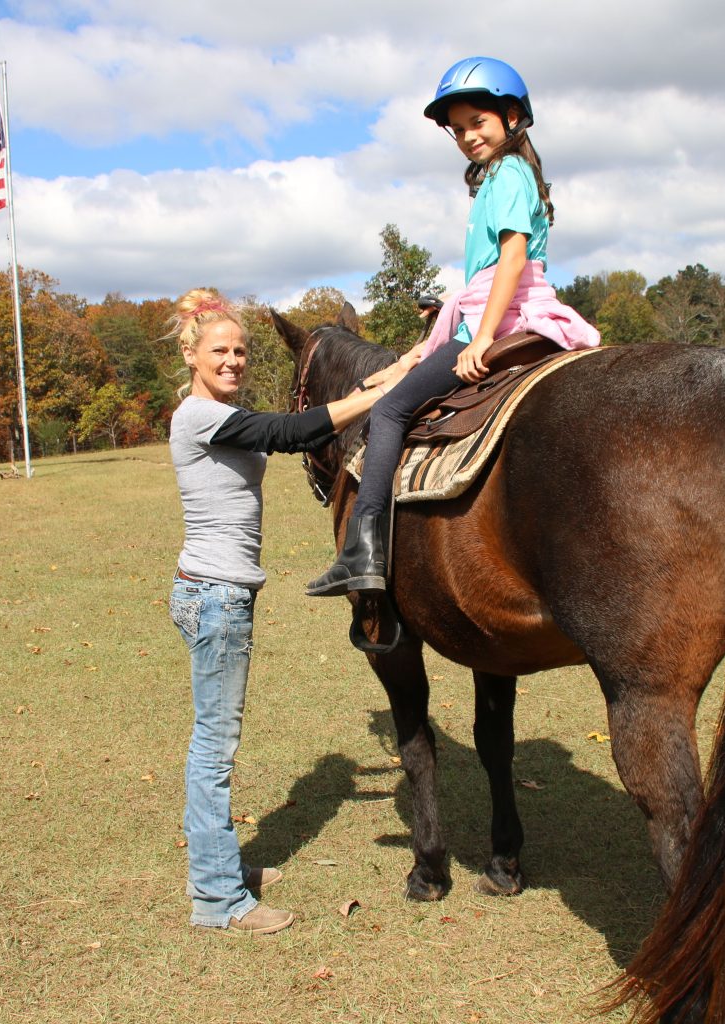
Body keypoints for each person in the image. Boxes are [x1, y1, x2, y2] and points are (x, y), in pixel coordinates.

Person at [307, 56, 600, 598]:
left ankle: (363, 551)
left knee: (391, 408)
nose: (467, 137)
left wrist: (482, 339)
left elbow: (510, 261)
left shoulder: (509, 174)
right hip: (493, 307)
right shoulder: (500, 179)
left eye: (478, 122)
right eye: (458, 129)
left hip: (500, 317)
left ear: (512, 117)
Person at [167, 288, 404, 934]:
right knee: (214, 751)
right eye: (221, 350)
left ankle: (220, 866)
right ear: (192, 354)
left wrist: (382, 376)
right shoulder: (197, 417)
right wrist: (380, 395)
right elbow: (293, 432)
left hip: (219, 593)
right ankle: (217, 899)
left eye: (242, 350)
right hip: (215, 598)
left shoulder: (221, 413)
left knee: (216, 744)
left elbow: (279, 427)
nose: (235, 360)